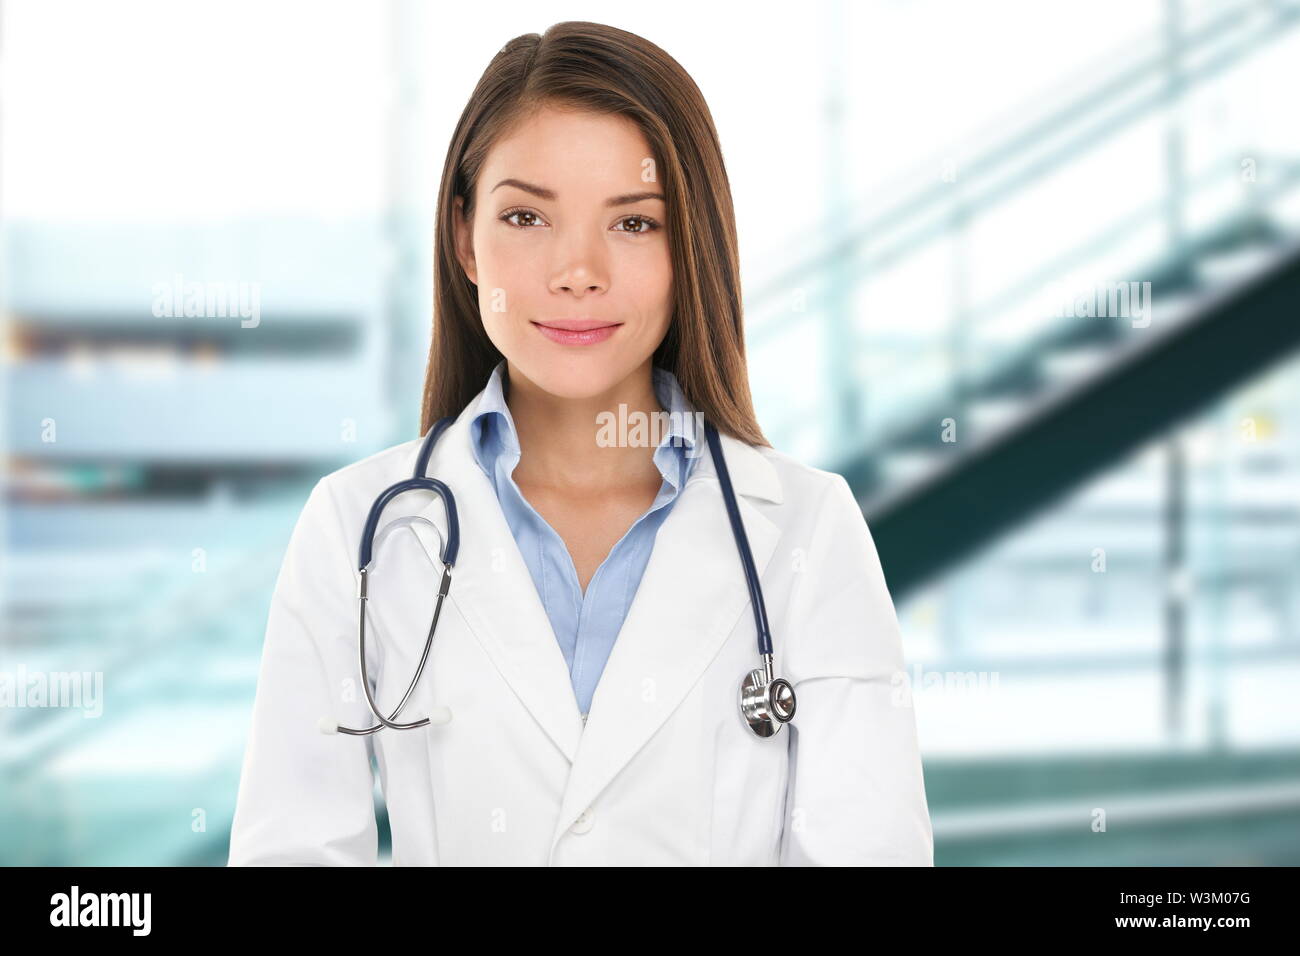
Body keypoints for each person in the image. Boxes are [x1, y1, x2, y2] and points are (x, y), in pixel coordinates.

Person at [228, 20, 932, 866]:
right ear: (464, 237)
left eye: (634, 224)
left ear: (690, 245)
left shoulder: (811, 531)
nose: (578, 270)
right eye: (526, 216)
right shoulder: (355, 529)